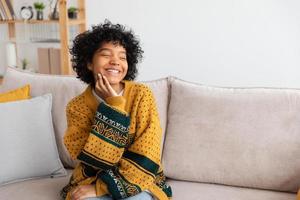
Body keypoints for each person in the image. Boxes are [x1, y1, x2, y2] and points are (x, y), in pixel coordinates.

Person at [60, 21, 172, 200]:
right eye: (106, 54)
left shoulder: (142, 95)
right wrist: (114, 107)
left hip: (139, 178)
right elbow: (91, 160)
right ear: (89, 62)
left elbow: (148, 152)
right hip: (91, 178)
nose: (115, 62)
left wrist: (102, 188)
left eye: (122, 57)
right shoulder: (76, 107)